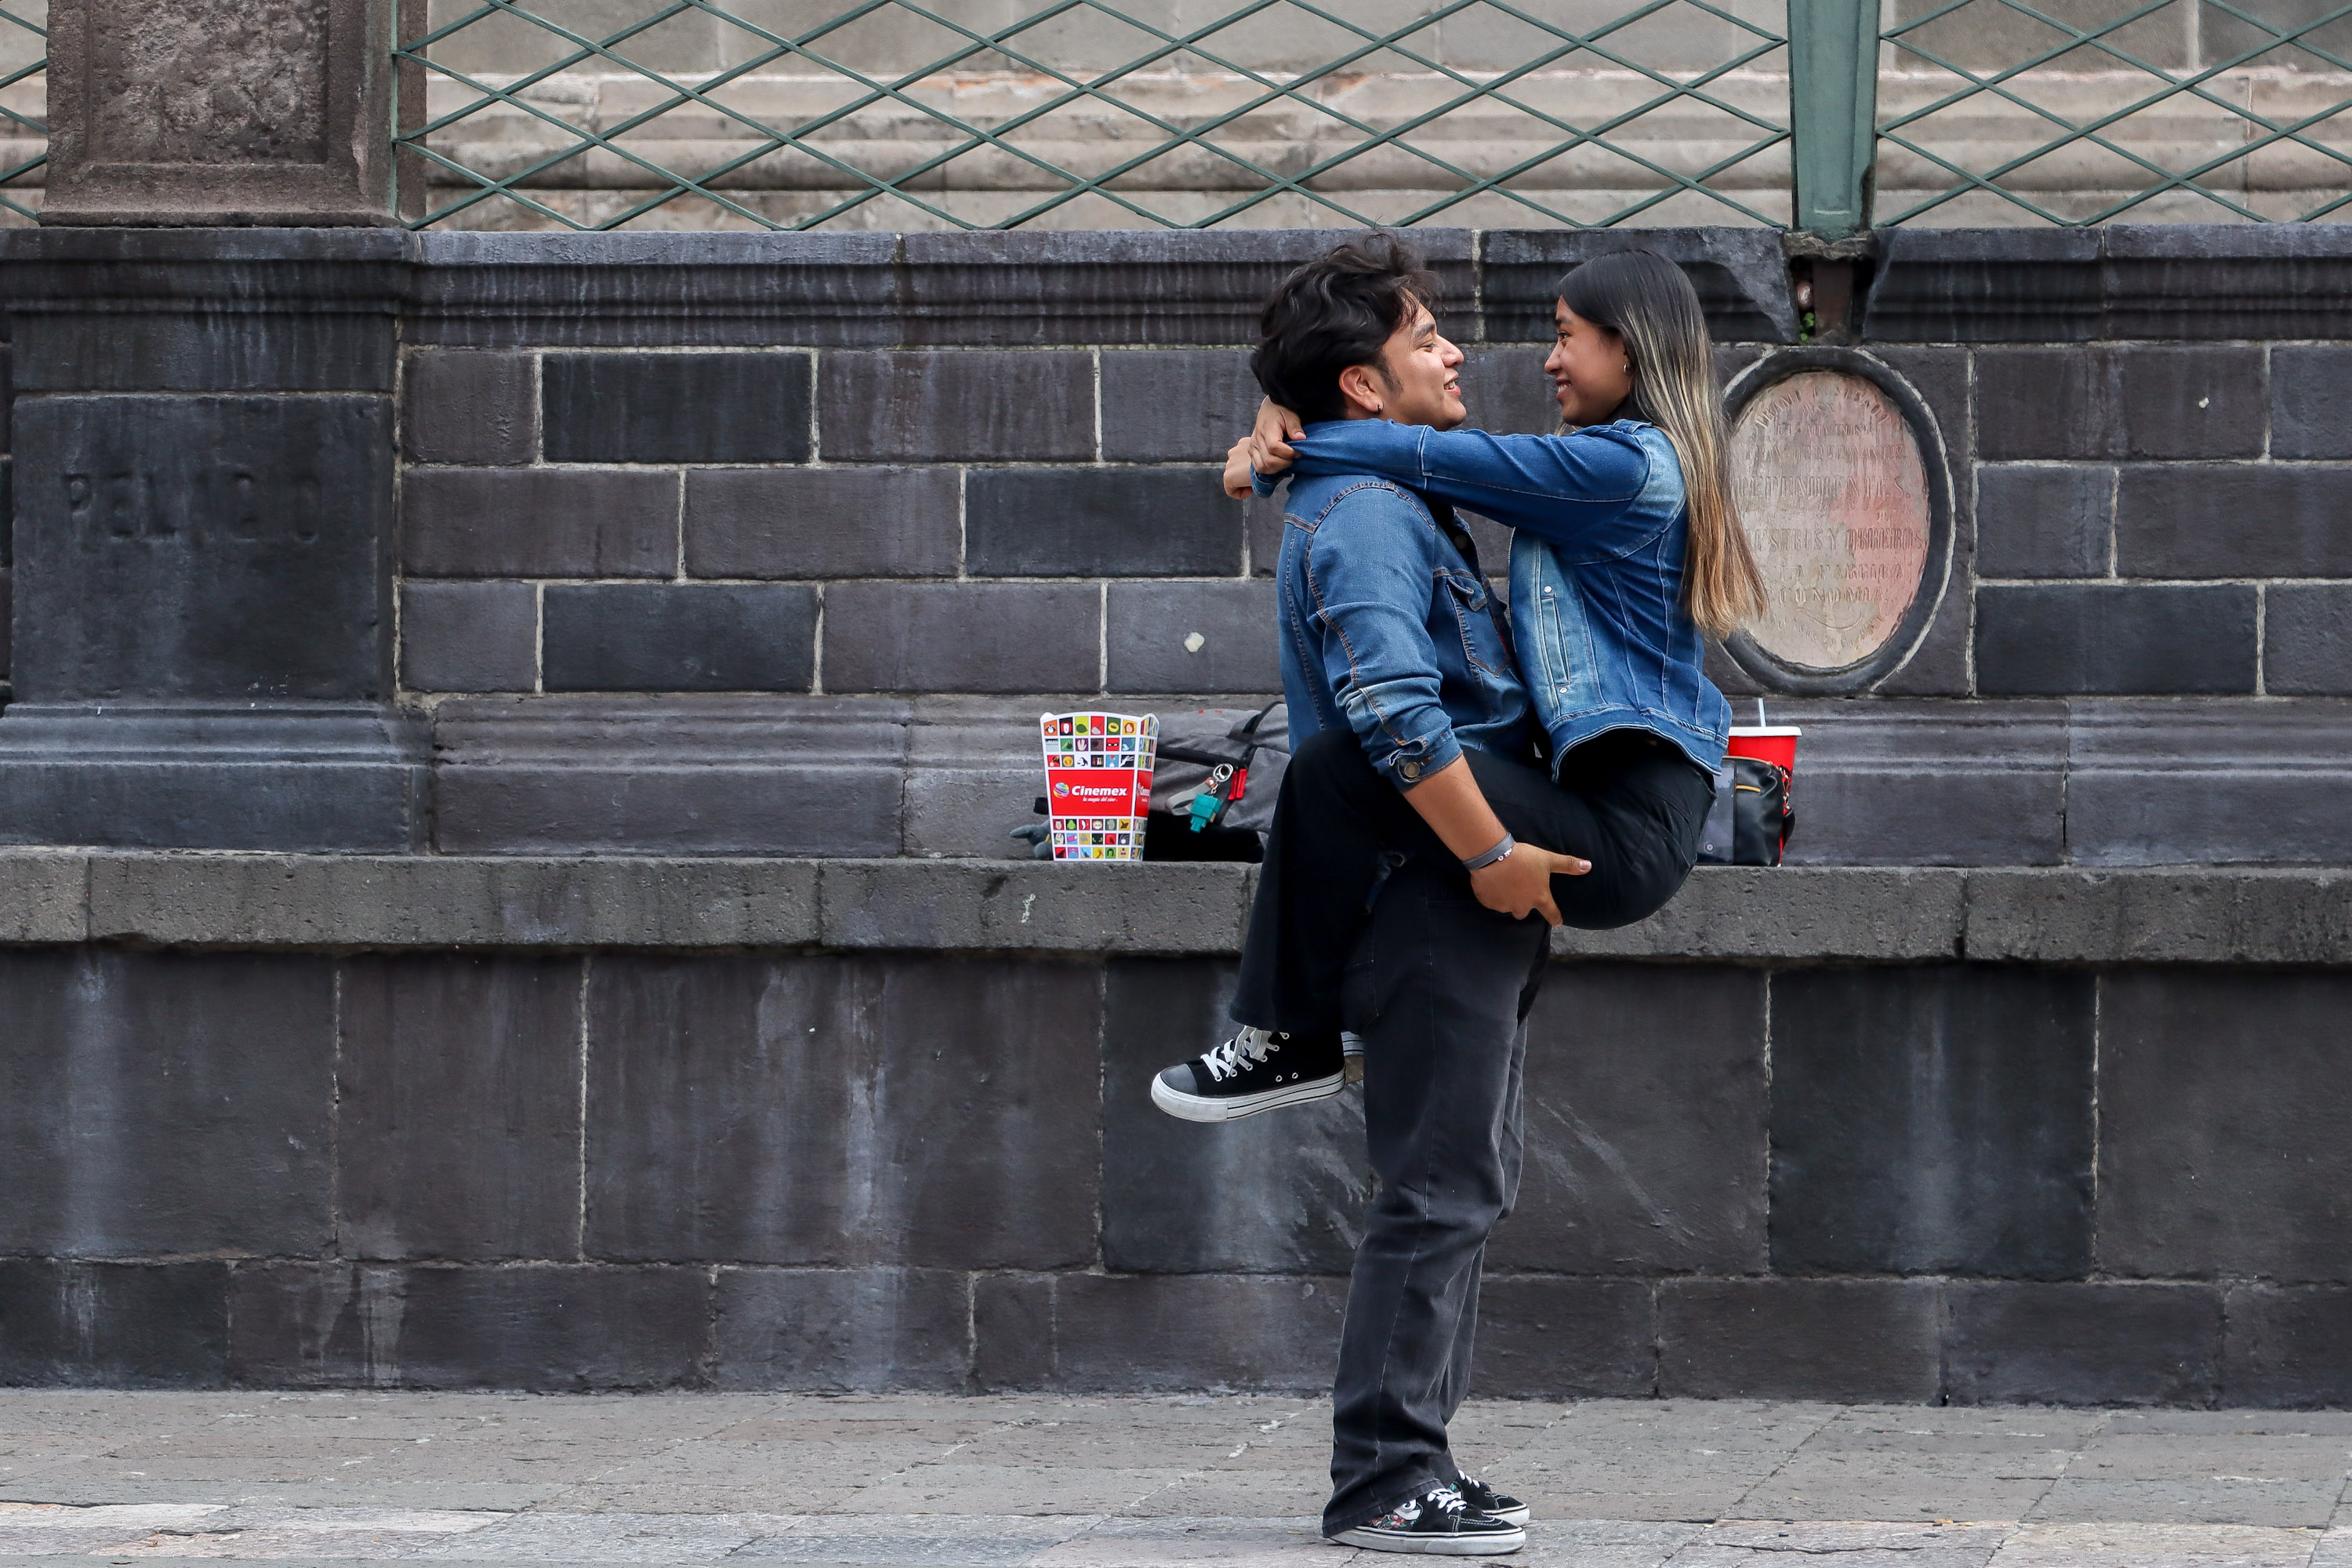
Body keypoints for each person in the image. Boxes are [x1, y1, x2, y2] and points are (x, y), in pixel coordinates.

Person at [1149, 240, 1764, 1553]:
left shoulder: (1616, 468)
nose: (1495, 356)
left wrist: (1283, 438)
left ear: (1630, 354)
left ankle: (1397, 1456)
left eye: (1563, 334)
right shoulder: (1386, 505)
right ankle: (1387, 1477)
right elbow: (1390, 701)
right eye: (1435, 337)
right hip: (1472, 858)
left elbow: (1431, 458)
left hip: (1586, 828)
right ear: (1370, 386)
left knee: (1453, 1180)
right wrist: (1490, 856)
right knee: (1446, 1179)